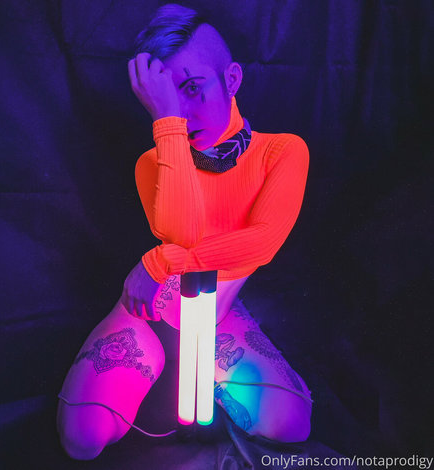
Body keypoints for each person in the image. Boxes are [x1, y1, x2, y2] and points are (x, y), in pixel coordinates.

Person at [56, 3, 312, 461]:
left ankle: (205, 382)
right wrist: (168, 125)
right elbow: (183, 231)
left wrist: (160, 261)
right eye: (167, 99)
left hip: (216, 317)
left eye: (193, 88)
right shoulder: (152, 162)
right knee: (83, 439)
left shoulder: (281, 152)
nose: (185, 114)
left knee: (292, 424)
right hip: (148, 313)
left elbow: (262, 241)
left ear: (231, 80)